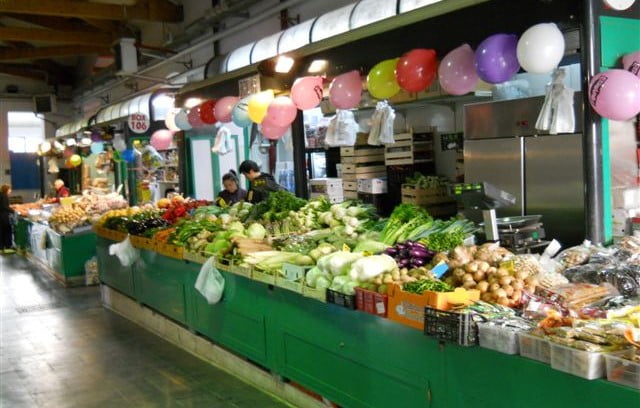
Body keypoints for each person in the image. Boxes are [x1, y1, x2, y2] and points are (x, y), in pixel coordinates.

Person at [0, 184, 15, 254]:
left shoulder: (1, 195)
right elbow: (5, 207)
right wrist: (13, 210)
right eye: (10, 189)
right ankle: (8, 247)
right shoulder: (4, 196)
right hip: (3, 217)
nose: (10, 190)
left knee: (2, 232)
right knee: (7, 231)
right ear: (6, 189)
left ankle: (2, 247)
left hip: (1, 216)